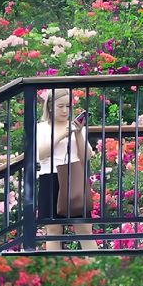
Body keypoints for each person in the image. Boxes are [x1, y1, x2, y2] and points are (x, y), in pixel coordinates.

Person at [36, 88, 98, 251]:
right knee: (53, 229)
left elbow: (87, 156)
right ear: (50, 107)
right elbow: (40, 154)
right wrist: (61, 135)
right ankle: (55, 272)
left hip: (73, 177)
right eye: (60, 106)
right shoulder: (42, 128)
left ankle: (98, 268)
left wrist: (77, 133)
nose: (65, 110)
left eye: (68, 106)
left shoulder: (77, 127)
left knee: (84, 228)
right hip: (50, 178)